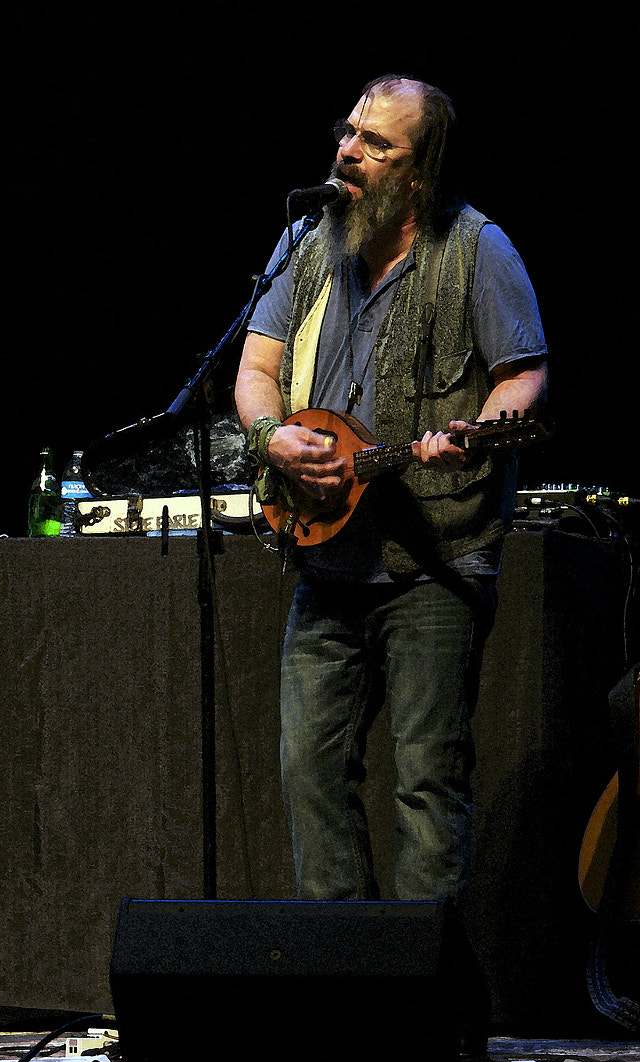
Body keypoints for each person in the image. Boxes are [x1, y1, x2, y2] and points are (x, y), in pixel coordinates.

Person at [234, 76, 548, 904]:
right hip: (325, 552)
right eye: (348, 132)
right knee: (310, 773)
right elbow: (255, 368)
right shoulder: (306, 241)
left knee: (425, 783)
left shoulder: (479, 249)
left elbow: (523, 376)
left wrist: (472, 436)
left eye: (377, 144)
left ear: (419, 173)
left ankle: (426, 1007)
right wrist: (274, 437)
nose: (348, 151)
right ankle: (347, 989)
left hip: (435, 559)